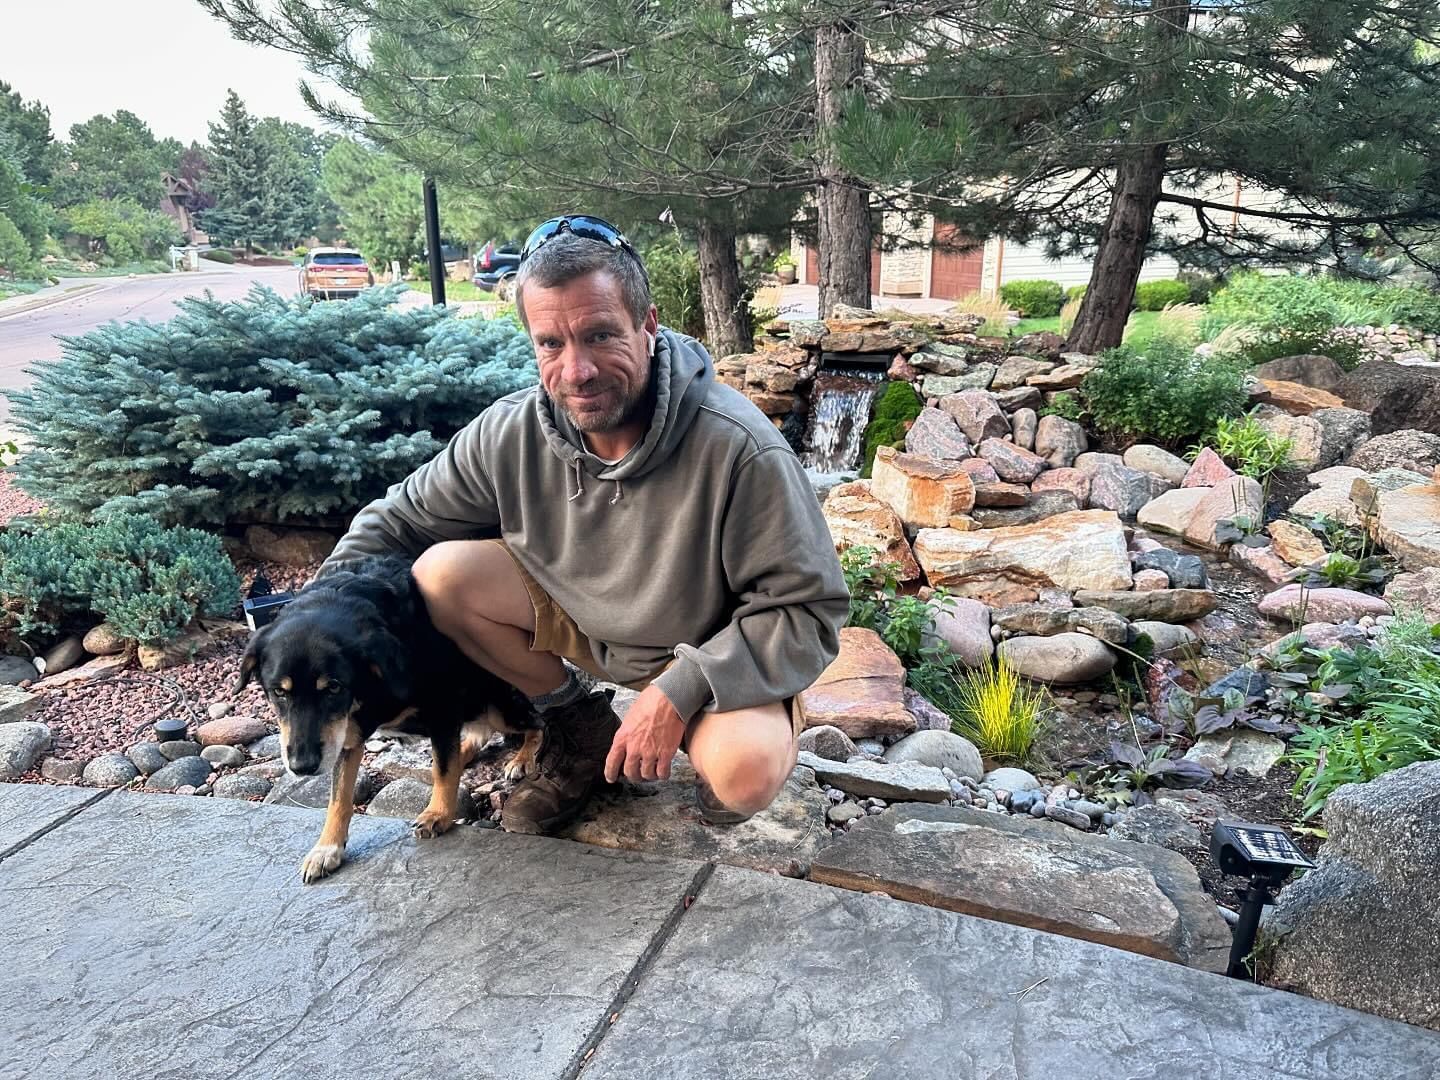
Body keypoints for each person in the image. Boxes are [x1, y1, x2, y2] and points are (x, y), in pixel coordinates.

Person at [320, 214, 847, 834]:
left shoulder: (739, 447)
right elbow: (398, 520)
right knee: (441, 573)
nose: (576, 370)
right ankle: (577, 729)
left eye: (600, 336)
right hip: (583, 624)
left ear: (647, 325)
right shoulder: (509, 433)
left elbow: (808, 610)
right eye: (551, 344)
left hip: (703, 647)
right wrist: (312, 618)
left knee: (744, 772)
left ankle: (737, 721)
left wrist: (680, 689)